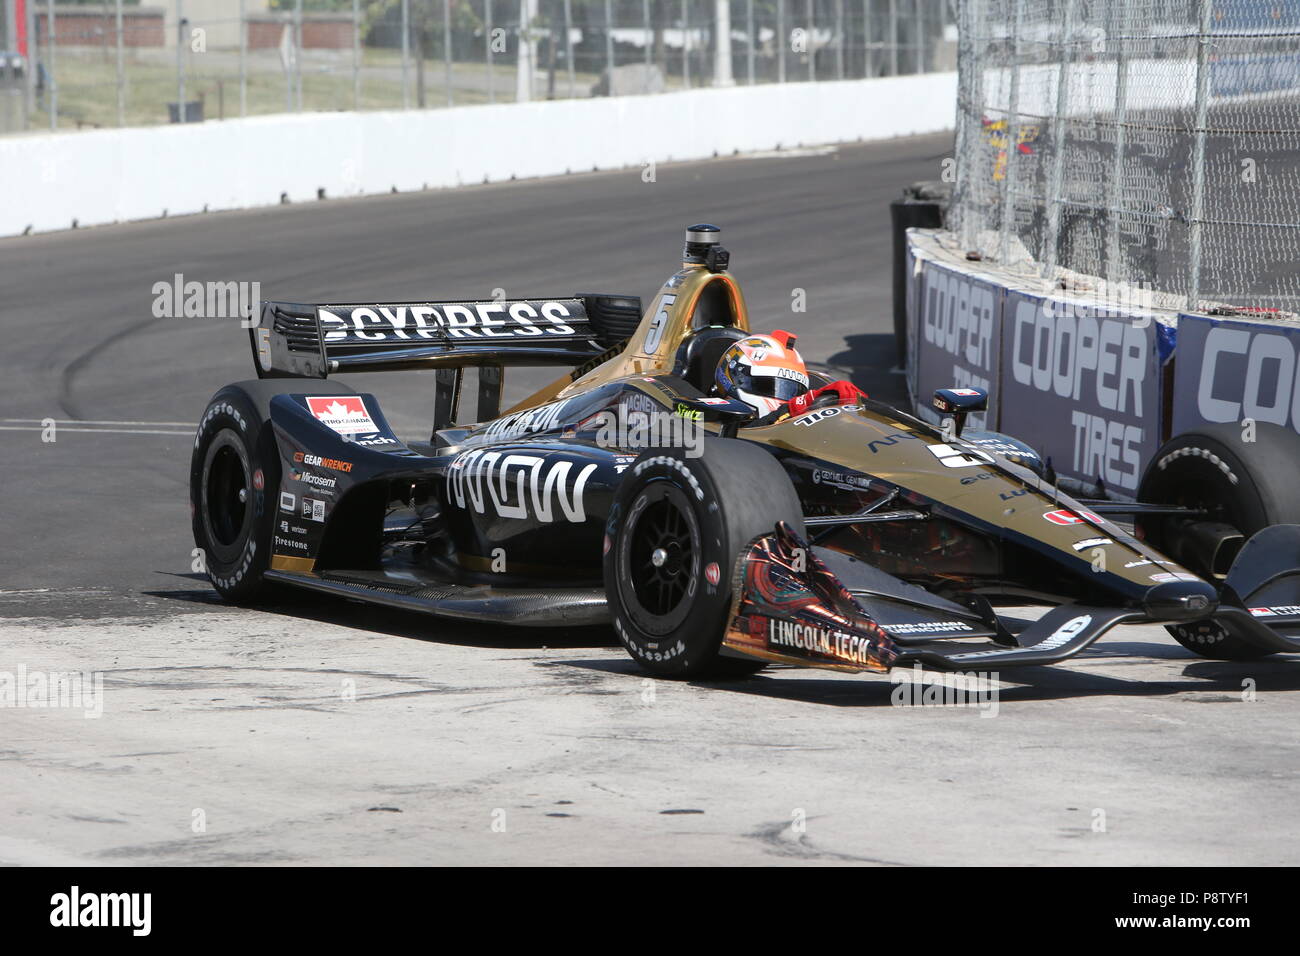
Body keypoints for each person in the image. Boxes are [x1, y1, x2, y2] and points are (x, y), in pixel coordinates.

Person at [713, 330, 868, 421]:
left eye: (791, 390)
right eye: (769, 385)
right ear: (735, 375)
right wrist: (799, 405)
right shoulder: (708, 416)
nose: (782, 398)